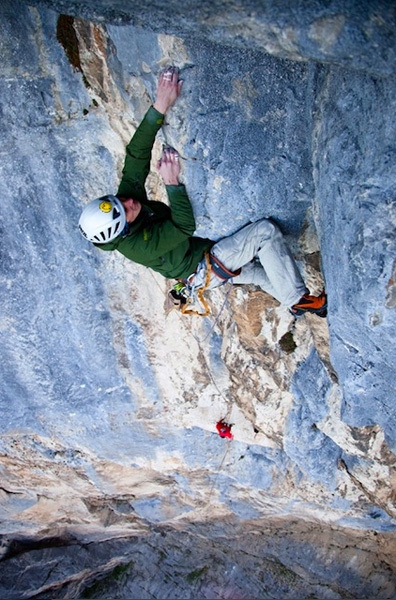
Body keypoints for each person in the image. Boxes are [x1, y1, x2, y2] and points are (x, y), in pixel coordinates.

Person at [79, 66, 327, 318]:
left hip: (204, 261)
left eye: (119, 200)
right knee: (264, 233)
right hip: (207, 266)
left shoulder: (125, 207)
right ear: (123, 230)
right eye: (126, 210)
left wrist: (160, 106)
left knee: (261, 275)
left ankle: (305, 305)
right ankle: (298, 300)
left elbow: (136, 157)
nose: (130, 201)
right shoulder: (136, 247)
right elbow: (184, 225)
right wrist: (172, 183)